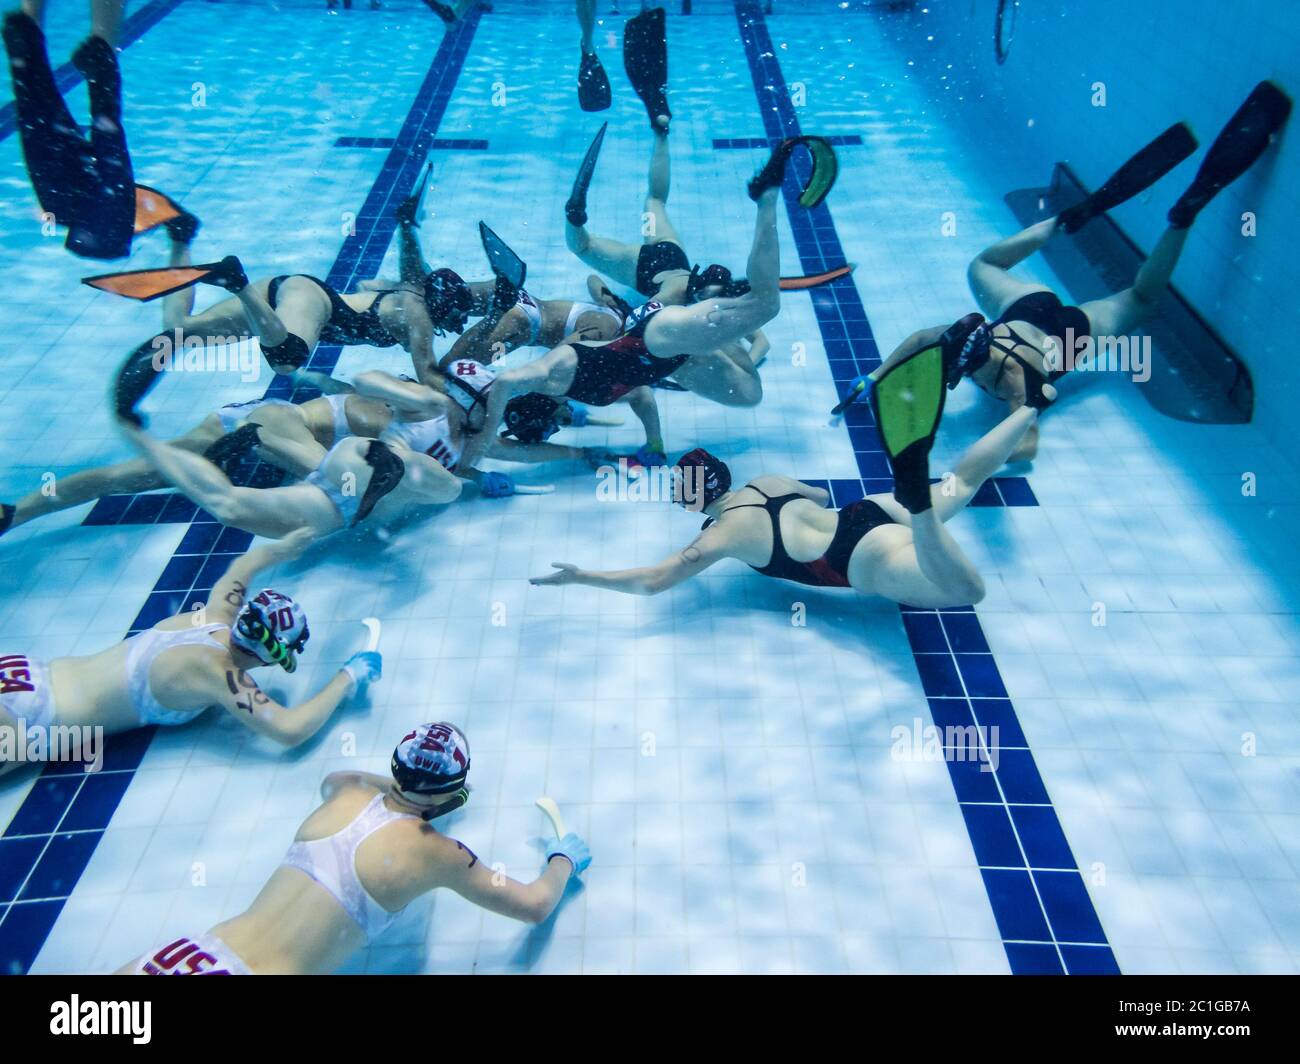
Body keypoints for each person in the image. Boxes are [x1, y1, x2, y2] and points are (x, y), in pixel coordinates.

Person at [852, 82, 1291, 463]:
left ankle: (1182, 219)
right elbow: (917, 341)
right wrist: (874, 376)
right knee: (983, 265)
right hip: (1028, 309)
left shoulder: (1015, 386)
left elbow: (1025, 449)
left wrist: (977, 450)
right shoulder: (962, 336)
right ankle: (1068, 219)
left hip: (1065, 339)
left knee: (1142, 299)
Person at [532, 332, 1055, 609]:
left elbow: (654, 580)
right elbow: (822, 498)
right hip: (867, 512)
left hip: (859, 556)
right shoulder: (769, 482)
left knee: (967, 593)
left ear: (693, 498)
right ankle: (1030, 406)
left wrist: (584, 577)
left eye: (677, 489)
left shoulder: (723, 537)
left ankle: (920, 513)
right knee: (962, 481)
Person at [462, 137, 836, 474]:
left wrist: (485, 436)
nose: (562, 423)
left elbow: (508, 381)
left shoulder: (555, 371)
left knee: (766, 307)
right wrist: (654, 444)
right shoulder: (578, 388)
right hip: (659, 332)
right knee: (750, 387)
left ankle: (766, 196)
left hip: (658, 339)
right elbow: (639, 394)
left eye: (554, 423)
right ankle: (659, 133)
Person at [117, 722, 591, 974]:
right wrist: (562, 858)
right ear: (455, 792)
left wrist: (409, 792)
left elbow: (334, 779)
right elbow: (534, 905)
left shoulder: (347, 794)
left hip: (184, 957)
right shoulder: (438, 852)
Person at [0, 528, 381, 779]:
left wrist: (281, 549)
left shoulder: (214, 615)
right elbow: (289, 730)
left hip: (22, 672)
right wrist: (348, 675)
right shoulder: (218, 672)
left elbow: (242, 565)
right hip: (36, 719)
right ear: (273, 657)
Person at [2, 0, 197, 260]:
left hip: (87, 208)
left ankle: (86, 56)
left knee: (64, 131)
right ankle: (43, 44)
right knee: (39, 110)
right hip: (81, 208)